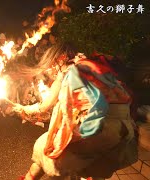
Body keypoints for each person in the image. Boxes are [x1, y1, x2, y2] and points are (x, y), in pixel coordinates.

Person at [13, 43, 137, 179]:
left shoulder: (66, 73)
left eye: (49, 66)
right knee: (93, 166)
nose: (49, 71)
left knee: (45, 150)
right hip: (122, 129)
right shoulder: (87, 67)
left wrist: (24, 109)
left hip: (95, 130)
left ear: (57, 61)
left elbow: (43, 107)